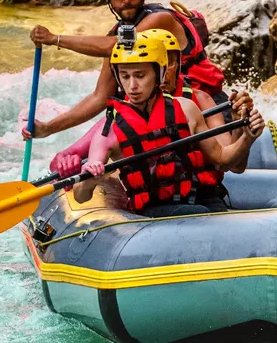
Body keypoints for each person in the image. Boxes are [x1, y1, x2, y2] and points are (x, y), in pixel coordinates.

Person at [22, 0, 227, 166]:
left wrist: (54, 39)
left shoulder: (160, 19)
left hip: (206, 108)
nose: (126, 0)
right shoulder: (115, 34)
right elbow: (100, 97)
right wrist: (49, 128)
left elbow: (113, 46)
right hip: (160, 114)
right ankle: (74, 159)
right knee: (118, 113)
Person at [73, 30, 263, 217]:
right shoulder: (108, 132)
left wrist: (246, 137)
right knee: (196, 213)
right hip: (157, 215)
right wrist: (89, 179)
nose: (132, 86)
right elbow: (81, 196)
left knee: (205, 211)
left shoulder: (187, 108)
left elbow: (222, 159)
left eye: (140, 75)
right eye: (125, 76)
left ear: (159, 73)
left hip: (204, 199)